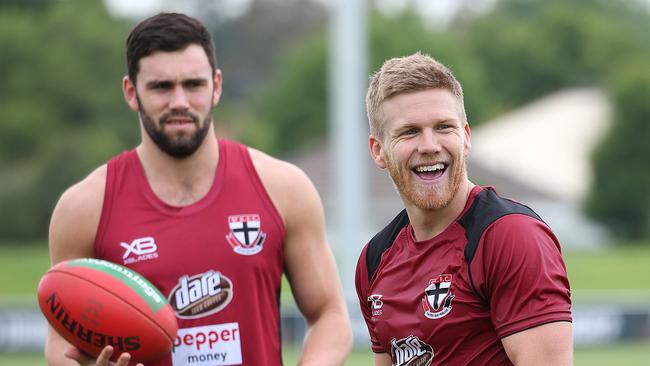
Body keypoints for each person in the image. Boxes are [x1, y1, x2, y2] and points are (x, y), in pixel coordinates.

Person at [44, 12, 352, 366]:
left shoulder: (283, 188)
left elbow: (330, 315)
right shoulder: (85, 207)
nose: (179, 101)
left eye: (193, 84)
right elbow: (59, 343)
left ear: (216, 86)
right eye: (161, 87)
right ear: (132, 92)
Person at [355, 52, 573, 366]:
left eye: (444, 127)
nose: (429, 145)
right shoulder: (375, 259)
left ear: (466, 138)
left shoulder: (510, 236)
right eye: (410, 131)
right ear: (378, 151)